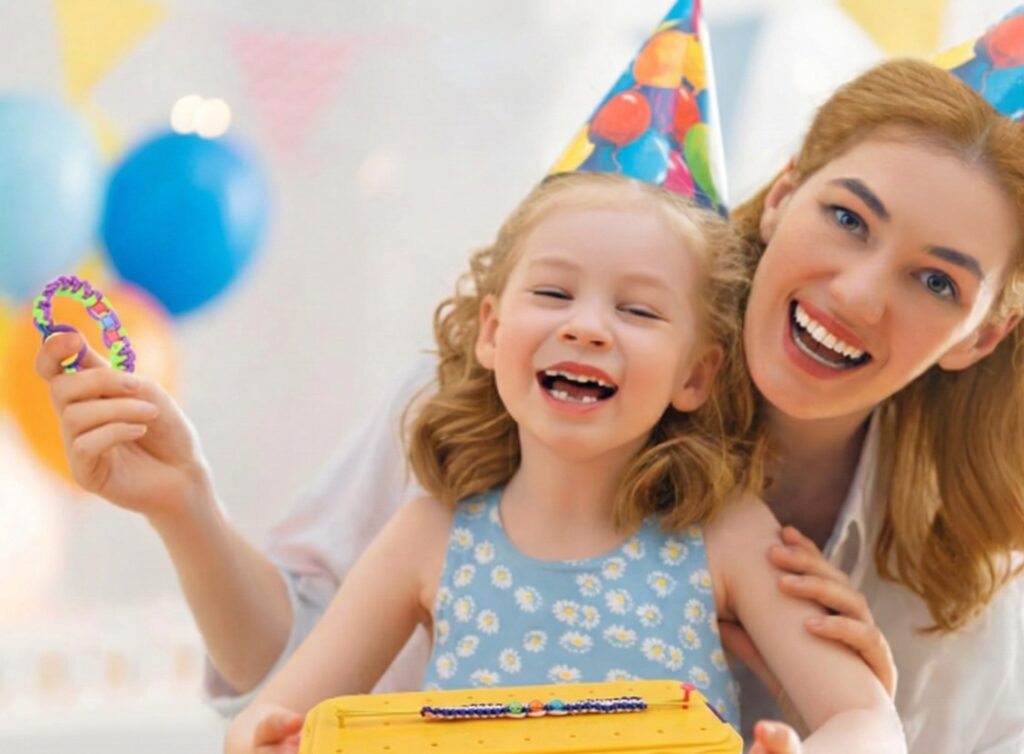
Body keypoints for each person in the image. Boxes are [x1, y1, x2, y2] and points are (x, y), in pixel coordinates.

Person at [34, 56, 1024, 754]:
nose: (857, 292)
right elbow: (283, 684)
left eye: (936, 281)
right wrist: (186, 506)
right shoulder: (445, 492)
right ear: (489, 327)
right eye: (847, 219)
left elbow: (867, 726)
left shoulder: (739, 536)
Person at [220, 169, 903, 754]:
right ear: (492, 330)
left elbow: (867, 718)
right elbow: (265, 718)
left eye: (638, 309)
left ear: (695, 374)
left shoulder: (724, 534)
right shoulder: (429, 535)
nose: (586, 326)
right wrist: (271, 740)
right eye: (553, 294)